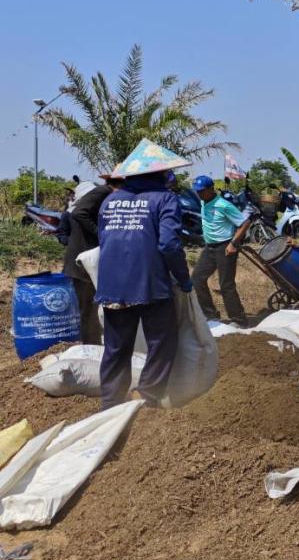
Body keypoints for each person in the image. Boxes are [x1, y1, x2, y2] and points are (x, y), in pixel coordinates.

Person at [95, 140, 193, 407]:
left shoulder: (110, 201)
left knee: (116, 347)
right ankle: (147, 395)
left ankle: (111, 404)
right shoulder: (165, 199)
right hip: (151, 283)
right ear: (161, 174)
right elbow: (169, 245)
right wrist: (183, 279)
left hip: (112, 286)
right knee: (162, 340)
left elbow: (104, 240)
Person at [61, 177, 121, 345]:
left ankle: (96, 345)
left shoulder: (106, 194)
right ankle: (91, 348)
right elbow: (79, 213)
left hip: (89, 260)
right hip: (83, 262)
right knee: (88, 309)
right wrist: (102, 234)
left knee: (93, 308)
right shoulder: (102, 192)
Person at [191, 175, 251, 327]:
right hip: (209, 247)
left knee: (226, 284)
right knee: (197, 279)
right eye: (197, 191)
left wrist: (233, 243)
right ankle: (210, 315)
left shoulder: (223, 205)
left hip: (225, 246)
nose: (199, 194)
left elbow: (245, 223)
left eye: (202, 191)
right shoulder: (203, 202)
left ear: (211, 189)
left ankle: (239, 320)